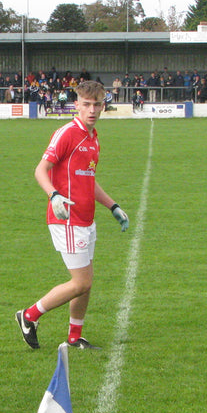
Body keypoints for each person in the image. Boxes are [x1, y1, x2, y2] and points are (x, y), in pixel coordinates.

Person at [15, 80, 129, 351]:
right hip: (67, 218)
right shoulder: (67, 133)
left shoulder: (93, 137)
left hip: (86, 218)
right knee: (81, 282)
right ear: (76, 104)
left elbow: (89, 180)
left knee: (85, 284)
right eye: (86, 104)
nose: (92, 110)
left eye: (97, 104)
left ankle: (75, 337)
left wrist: (113, 206)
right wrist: (53, 195)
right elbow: (40, 170)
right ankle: (29, 315)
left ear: (103, 105)